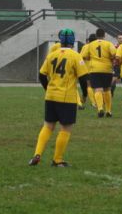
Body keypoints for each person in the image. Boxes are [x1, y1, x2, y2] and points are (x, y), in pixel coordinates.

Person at [28, 28, 90, 167]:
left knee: (48, 126)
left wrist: (47, 88)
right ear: (72, 41)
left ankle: (37, 154)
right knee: (66, 128)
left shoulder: (52, 55)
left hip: (50, 96)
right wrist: (85, 95)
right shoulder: (75, 56)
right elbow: (84, 78)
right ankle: (57, 159)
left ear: (60, 40)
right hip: (66, 97)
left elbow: (42, 75)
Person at [82, 28, 117, 118]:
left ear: (96, 35)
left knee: (97, 89)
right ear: (104, 35)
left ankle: (100, 108)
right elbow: (114, 54)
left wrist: (91, 58)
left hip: (94, 69)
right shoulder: (109, 44)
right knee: (107, 89)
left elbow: (84, 56)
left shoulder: (90, 45)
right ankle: (108, 111)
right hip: (107, 69)